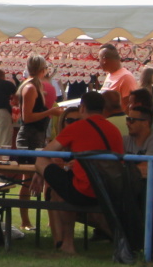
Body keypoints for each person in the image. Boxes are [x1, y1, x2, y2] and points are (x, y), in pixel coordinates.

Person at [40, 91, 124, 255]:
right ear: (103, 109)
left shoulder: (78, 127)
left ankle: (66, 244)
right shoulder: (114, 130)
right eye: (69, 120)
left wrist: (39, 173)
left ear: (82, 108)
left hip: (85, 190)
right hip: (109, 189)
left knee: (53, 185)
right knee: (58, 193)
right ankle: (63, 244)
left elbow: (45, 153)